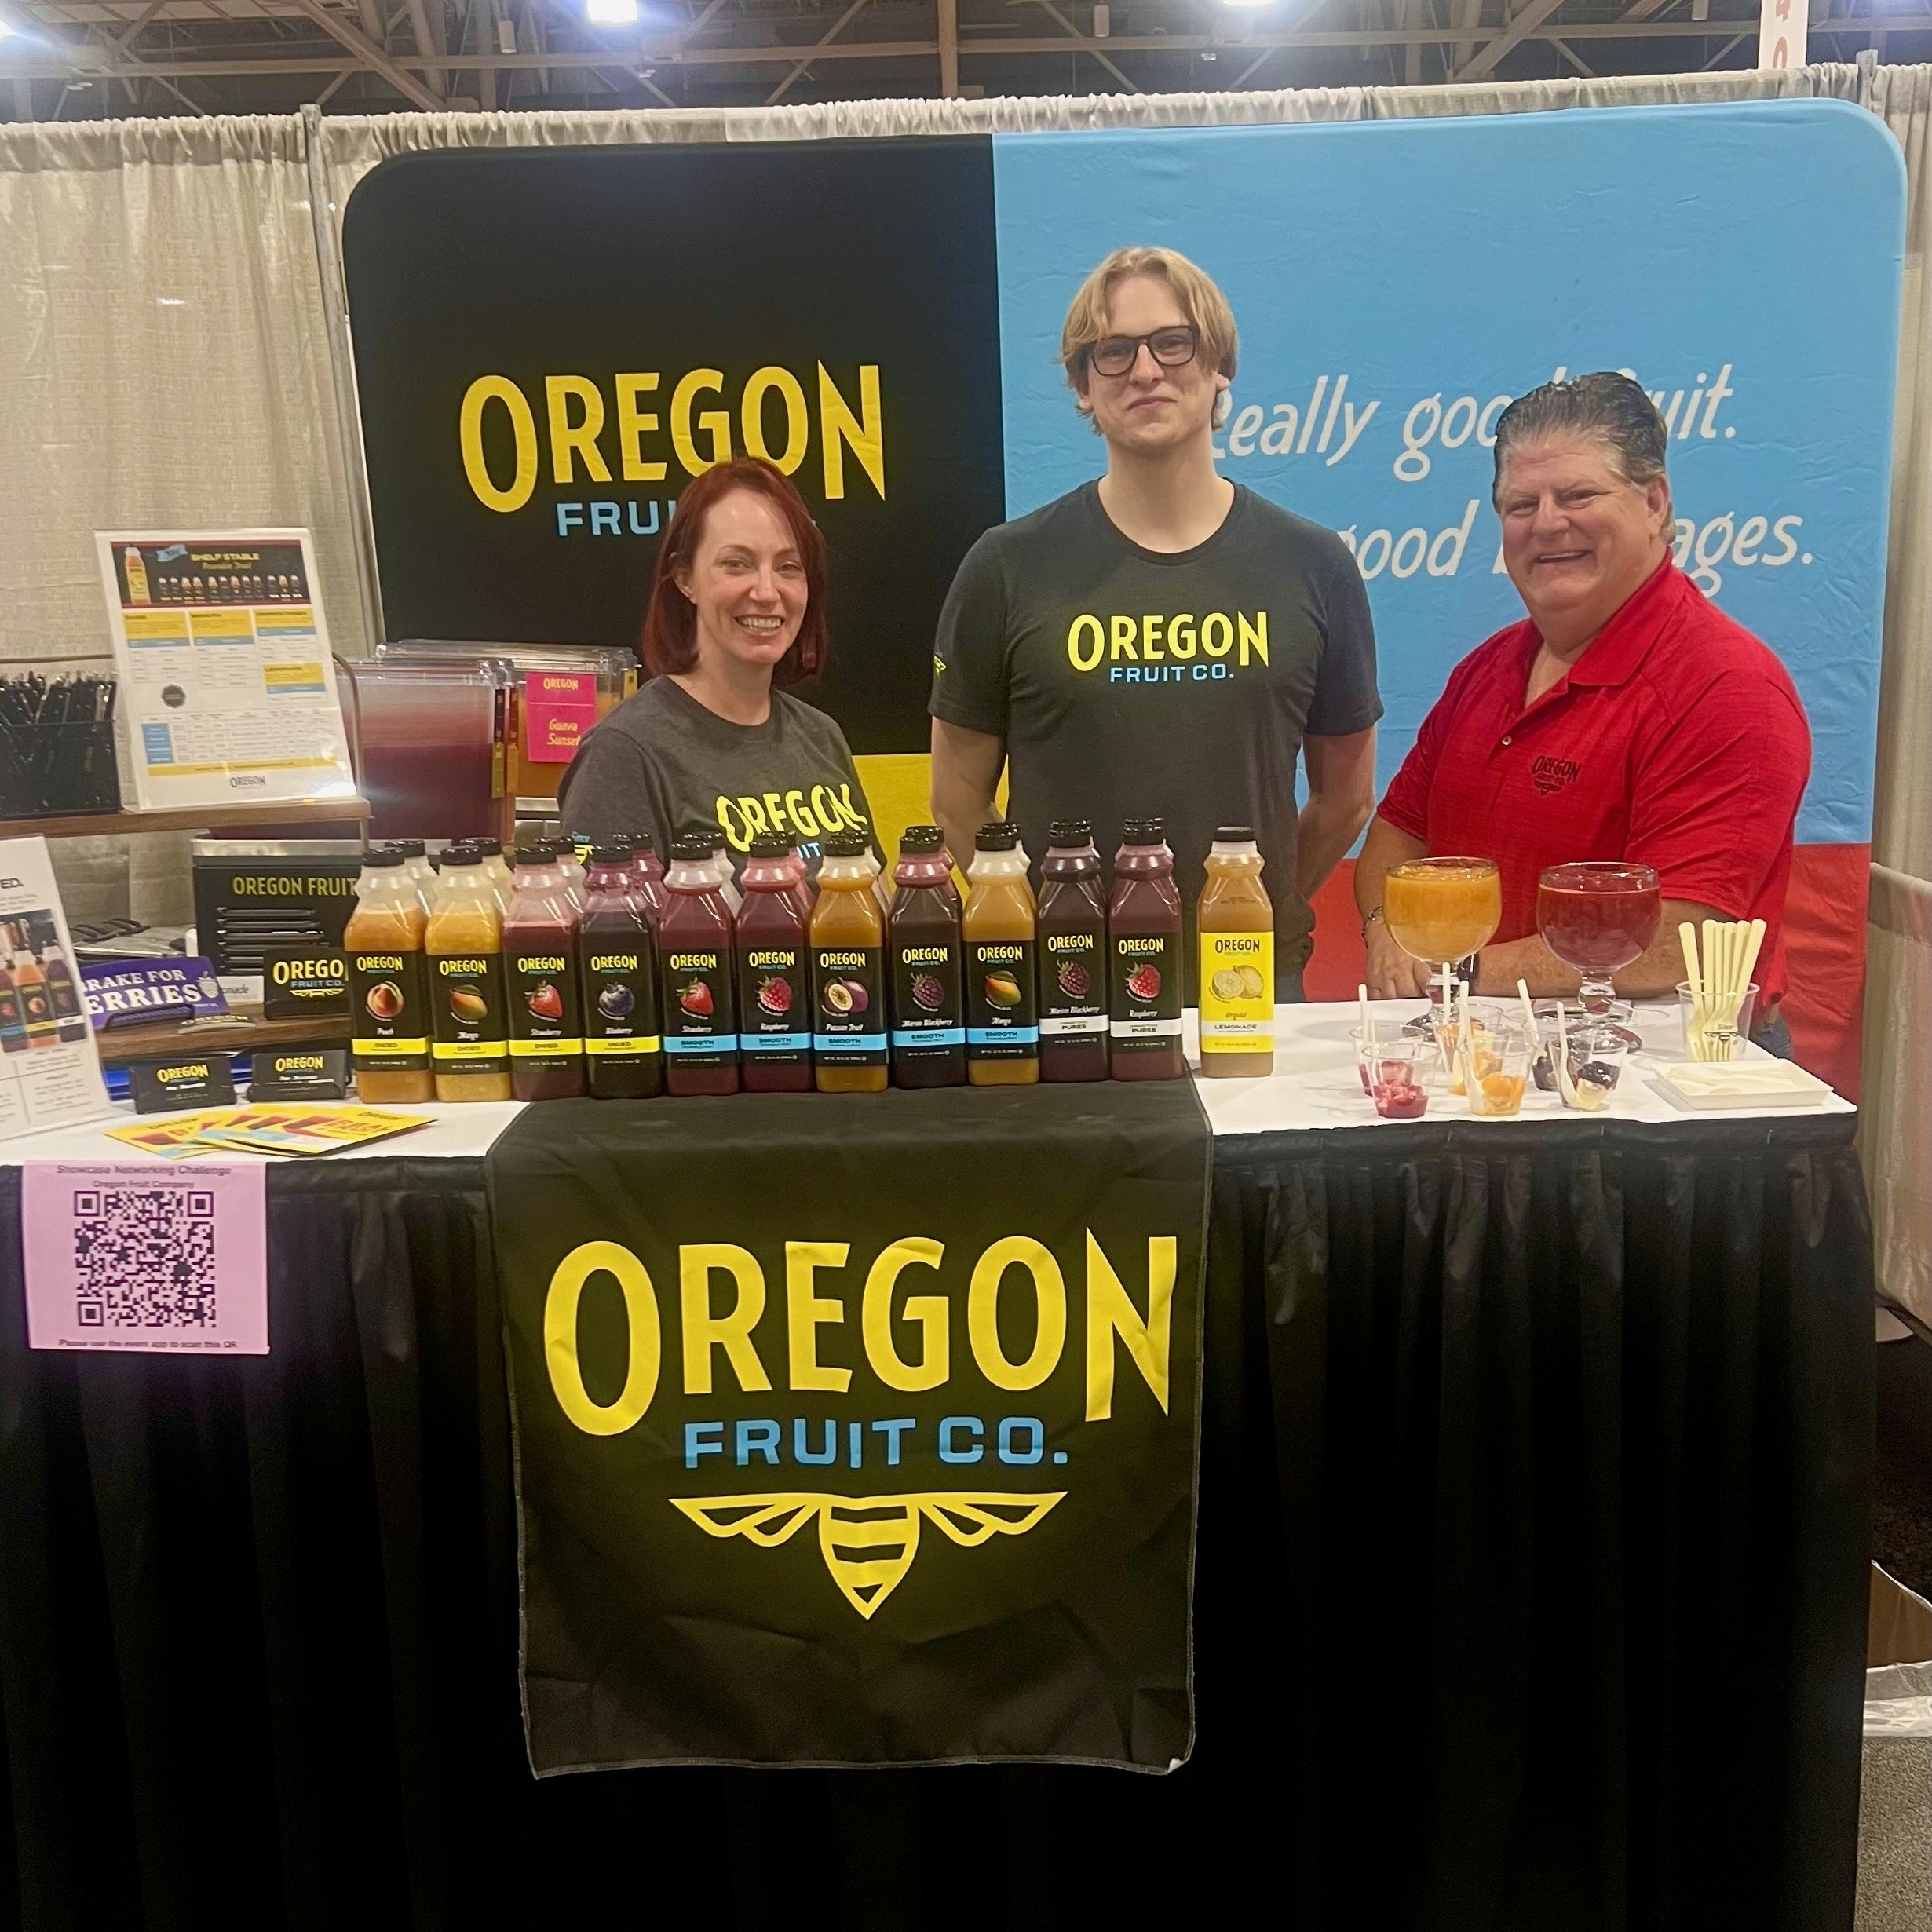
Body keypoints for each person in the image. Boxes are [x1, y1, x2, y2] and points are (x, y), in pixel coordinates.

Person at [928, 245, 1381, 999]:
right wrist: (1042, 928)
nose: (1145, 371)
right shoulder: (1006, 566)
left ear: (1218, 366)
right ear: (1082, 387)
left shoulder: (1312, 563)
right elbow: (956, 801)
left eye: (1173, 343)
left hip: (1249, 976)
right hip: (1069, 987)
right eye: (1113, 352)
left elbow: (1345, 799)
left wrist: (1245, 906)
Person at [1355, 372, 1810, 1051]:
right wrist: (1383, 932)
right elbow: (1398, 835)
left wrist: (1455, 969)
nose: (1546, 523)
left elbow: (1677, 941)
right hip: (1480, 1062)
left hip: (1657, 1090)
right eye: (1519, 504)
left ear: (1654, 501)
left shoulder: (1728, 688)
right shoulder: (1484, 670)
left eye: (1577, 495)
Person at [560, 457, 878, 871]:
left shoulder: (822, 737)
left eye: (788, 567)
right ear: (685, 578)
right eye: (736, 564)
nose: (767, 591)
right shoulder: (623, 753)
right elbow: (609, 924)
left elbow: (875, 901)